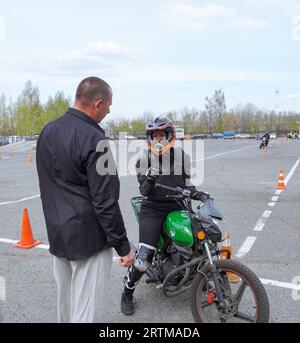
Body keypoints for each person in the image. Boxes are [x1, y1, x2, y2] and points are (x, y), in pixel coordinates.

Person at [36, 77, 134, 323]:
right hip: (89, 240)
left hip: (59, 235)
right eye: (108, 106)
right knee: (87, 314)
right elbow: (105, 200)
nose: (109, 111)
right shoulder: (94, 138)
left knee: (66, 309)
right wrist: (123, 246)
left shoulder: (48, 131)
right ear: (97, 104)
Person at [120, 116, 209, 315]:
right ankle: (127, 292)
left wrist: (197, 193)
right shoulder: (143, 160)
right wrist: (150, 179)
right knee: (144, 257)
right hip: (153, 209)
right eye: (154, 136)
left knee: (200, 242)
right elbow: (144, 191)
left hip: (178, 206)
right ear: (149, 139)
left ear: (170, 136)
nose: (158, 139)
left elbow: (186, 185)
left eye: (162, 135)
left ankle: (202, 276)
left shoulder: (182, 157)